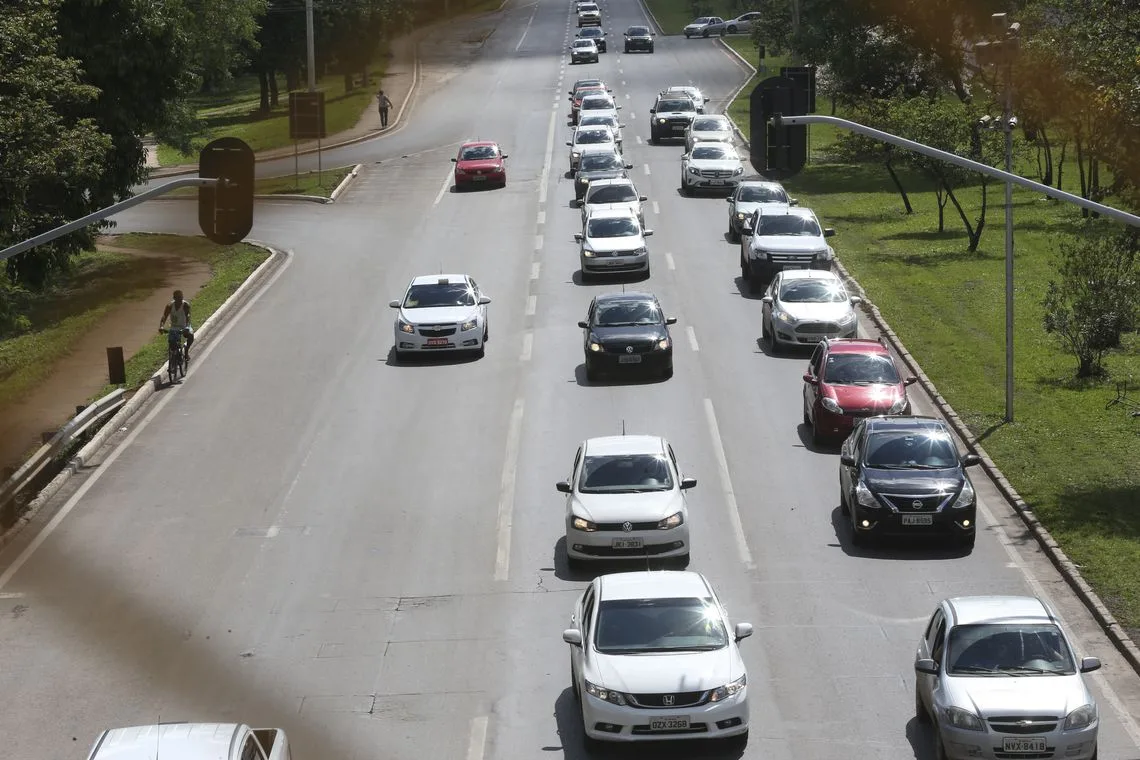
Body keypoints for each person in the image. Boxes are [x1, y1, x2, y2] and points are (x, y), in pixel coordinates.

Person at [159, 289, 194, 360]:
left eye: (181, 298)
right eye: (178, 298)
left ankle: (186, 351)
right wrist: (161, 326)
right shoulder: (170, 306)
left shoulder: (185, 305)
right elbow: (164, 316)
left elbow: (188, 316)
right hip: (174, 327)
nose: (180, 300)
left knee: (190, 336)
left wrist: (187, 327)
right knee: (172, 344)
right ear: (174, 298)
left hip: (184, 326)